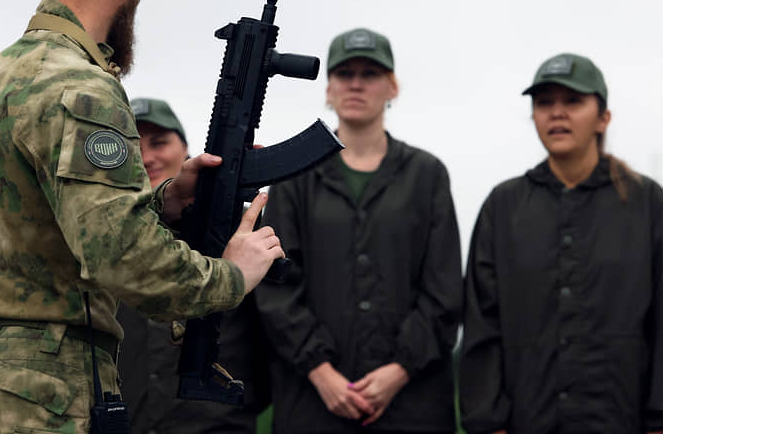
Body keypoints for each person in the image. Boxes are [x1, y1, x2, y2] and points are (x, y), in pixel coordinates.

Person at [0, 0, 284, 434]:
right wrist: (230, 275)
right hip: (49, 389)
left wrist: (162, 198)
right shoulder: (85, 87)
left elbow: (44, 215)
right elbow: (122, 257)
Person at [255, 28, 463, 433]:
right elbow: (275, 284)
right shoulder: (295, 175)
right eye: (344, 73)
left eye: (370, 73)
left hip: (413, 403)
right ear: (328, 88)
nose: (355, 83)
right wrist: (320, 372)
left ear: (392, 87)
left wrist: (399, 370)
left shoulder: (427, 175)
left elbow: (444, 289)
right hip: (313, 404)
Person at [458, 53, 662, 434]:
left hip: (622, 420)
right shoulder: (503, 207)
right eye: (544, 103)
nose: (557, 113)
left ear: (603, 117)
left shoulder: (649, 204)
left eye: (573, 101)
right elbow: (481, 326)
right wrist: (487, 422)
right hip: (529, 421)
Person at [116, 98, 271, 433]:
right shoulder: (100, 231)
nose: (146, 157)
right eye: (133, 146)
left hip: (215, 423)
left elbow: (275, 320)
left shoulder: (237, 224)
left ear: (185, 148)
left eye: (159, 143)